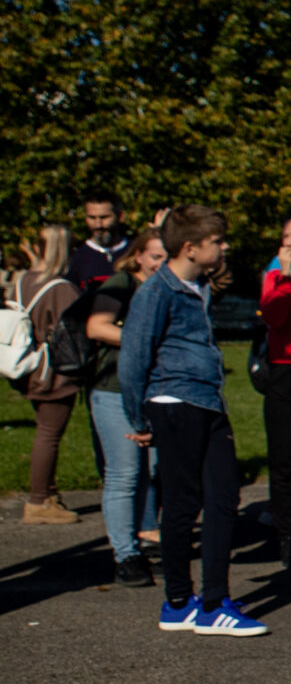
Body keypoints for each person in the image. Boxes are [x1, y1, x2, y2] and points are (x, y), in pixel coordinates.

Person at [121, 206, 265, 638]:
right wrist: (138, 417)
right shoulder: (156, 292)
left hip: (206, 401)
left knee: (222, 496)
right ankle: (183, 601)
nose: (224, 247)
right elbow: (134, 357)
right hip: (174, 402)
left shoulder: (197, 285)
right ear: (190, 247)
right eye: (216, 241)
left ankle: (209, 600)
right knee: (183, 503)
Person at [86, 230, 165, 587]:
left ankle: (136, 545)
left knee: (148, 471)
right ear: (138, 256)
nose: (161, 263)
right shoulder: (122, 283)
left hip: (151, 390)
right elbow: (96, 327)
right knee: (124, 473)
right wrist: (144, 341)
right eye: (155, 256)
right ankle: (125, 554)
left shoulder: (166, 287)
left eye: (166, 256)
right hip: (113, 390)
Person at [12, 226, 86, 525]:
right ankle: (39, 501)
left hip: (29, 366)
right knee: (49, 434)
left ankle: (48, 494)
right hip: (54, 372)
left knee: (45, 430)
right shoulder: (61, 288)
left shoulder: (22, 281)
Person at [257, 216, 291, 574]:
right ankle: (287, 535)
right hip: (282, 367)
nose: (290, 242)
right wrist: (288, 277)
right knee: (283, 457)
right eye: (286, 236)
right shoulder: (275, 273)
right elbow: (273, 316)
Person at [68, 191, 128, 289]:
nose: (98, 225)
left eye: (104, 217)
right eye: (92, 218)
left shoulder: (135, 253)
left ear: (120, 216)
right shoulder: (77, 259)